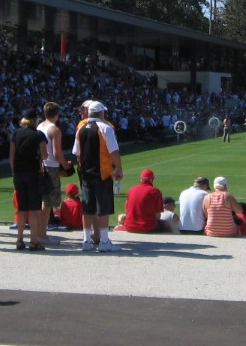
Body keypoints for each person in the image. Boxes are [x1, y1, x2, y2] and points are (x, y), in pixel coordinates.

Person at [73, 100, 124, 252]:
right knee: (103, 207)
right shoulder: (105, 128)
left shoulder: (80, 128)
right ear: (101, 113)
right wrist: (119, 169)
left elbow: (77, 153)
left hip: (86, 173)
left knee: (87, 207)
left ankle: (86, 240)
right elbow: (114, 152)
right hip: (102, 172)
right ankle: (104, 240)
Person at [10, 108, 49, 250]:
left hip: (19, 173)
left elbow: (11, 156)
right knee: (34, 209)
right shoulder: (38, 135)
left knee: (21, 209)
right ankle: (33, 241)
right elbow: (45, 156)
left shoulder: (16, 133)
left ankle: (19, 240)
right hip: (33, 173)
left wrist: (14, 171)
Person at [37, 101, 73, 243]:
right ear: (57, 114)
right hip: (51, 166)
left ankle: (40, 232)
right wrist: (66, 165)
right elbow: (57, 153)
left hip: (40, 165)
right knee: (48, 202)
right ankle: (42, 234)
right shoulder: (55, 130)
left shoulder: (40, 126)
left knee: (43, 202)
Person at [118, 168, 164, 233]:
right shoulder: (155, 191)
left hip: (129, 227)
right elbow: (158, 215)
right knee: (165, 224)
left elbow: (127, 210)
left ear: (141, 179)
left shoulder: (131, 190)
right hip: (148, 227)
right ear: (152, 179)